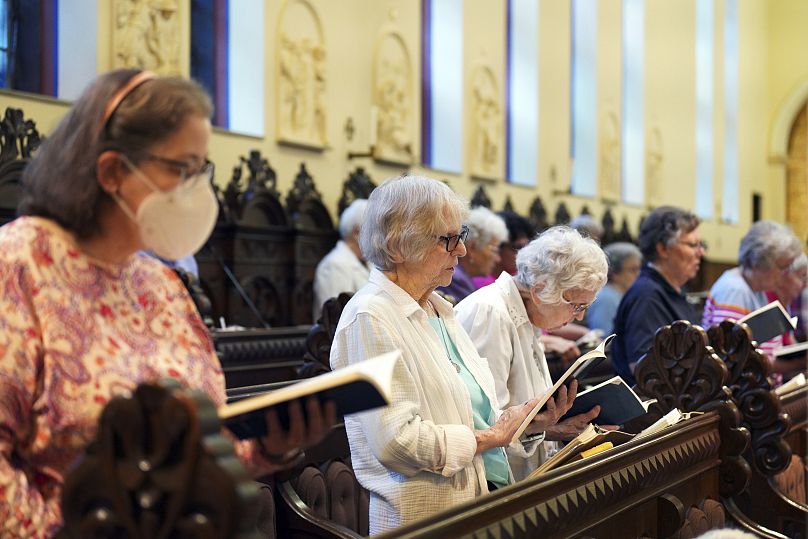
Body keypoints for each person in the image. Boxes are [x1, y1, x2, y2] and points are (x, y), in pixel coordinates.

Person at [0, 69, 335, 537]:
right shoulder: (17, 266)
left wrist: (271, 446)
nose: (196, 190)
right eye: (182, 169)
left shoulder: (160, 284)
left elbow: (203, 447)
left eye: (202, 170)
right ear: (112, 171)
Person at [330, 175, 575, 534]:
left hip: (476, 508)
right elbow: (397, 442)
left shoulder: (438, 310)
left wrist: (525, 424)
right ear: (398, 245)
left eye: (460, 237)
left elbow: (467, 416)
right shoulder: (370, 318)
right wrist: (491, 437)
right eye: (449, 240)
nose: (461, 250)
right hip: (424, 523)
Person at [455, 226, 610, 480]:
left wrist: (556, 428)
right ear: (539, 292)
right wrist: (546, 429)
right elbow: (486, 423)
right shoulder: (490, 313)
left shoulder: (529, 315)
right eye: (577, 305)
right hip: (493, 484)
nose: (580, 316)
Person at [611, 206, 705, 386]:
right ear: (662, 249)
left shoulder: (673, 290)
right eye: (692, 245)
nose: (701, 253)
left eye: (700, 245)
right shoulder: (647, 295)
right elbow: (644, 370)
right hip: (654, 410)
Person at [702, 220, 803, 370]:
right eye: (783, 267)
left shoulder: (757, 288)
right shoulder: (735, 291)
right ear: (759, 263)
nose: (786, 274)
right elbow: (731, 358)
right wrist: (797, 364)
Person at [312, 198, 370, 320]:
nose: (379, 238)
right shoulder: (334, 265)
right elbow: (337, 318)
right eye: (374, 231)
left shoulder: (371, 263)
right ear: (356, 233)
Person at [438, 206, 508, 303]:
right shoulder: (456, 280)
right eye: (494, 250)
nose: (498, 259)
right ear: (472, 248)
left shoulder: (461, 277)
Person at [587, 242, 643, 334]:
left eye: (639, 269)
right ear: (615, 273)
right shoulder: (606, 298)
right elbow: (604, 336)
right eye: (633, 270)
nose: (638, 274)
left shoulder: (624, 295)